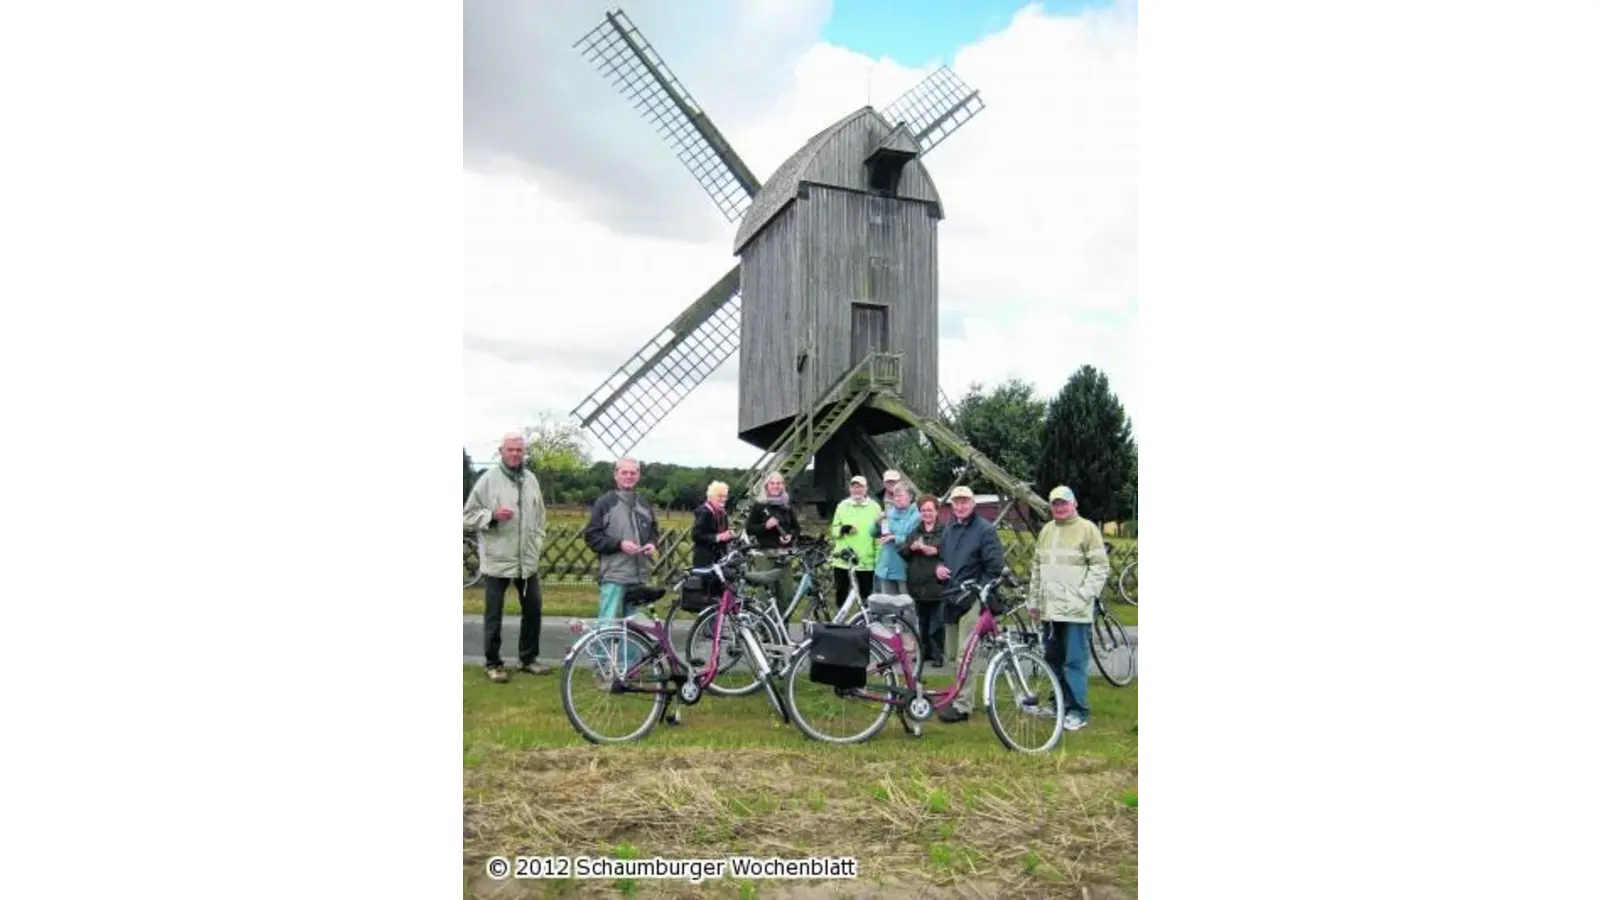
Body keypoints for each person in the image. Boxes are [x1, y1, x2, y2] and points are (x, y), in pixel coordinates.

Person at [462, 433, 550, 683]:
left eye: (519, 450)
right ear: (501, 451)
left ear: (524, 453)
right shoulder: (488, 480)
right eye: (510, 449)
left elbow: (540, 515)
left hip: (527, 560)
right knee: (494, 614)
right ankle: (493, 663)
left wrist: (538, 540)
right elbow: (467, 515)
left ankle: (529, 658)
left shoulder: (531, 479)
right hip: (498, 559)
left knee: (533, 609)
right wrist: (492, 515)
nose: (515, 454)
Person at [1026, 486, 1111, 731]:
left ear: (1074, 504)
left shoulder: (1088, 529)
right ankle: (1058, 704)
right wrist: (1034, 601)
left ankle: (1078, 711)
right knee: (1052, 659)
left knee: (1074, 661)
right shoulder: (1046, 531)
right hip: (1050, 610)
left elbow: (1100, 567)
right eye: (1055, 504)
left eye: (1063, 503)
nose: (1059, 508)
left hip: (1075, 611)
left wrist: (1084, 595)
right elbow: (1037, 569)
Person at [936, 485, 1007, 723]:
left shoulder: (985, 530)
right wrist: (939, 568)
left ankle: (963, 705)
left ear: (973, 504)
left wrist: (980, 590)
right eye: (956, 502)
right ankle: (956, 695)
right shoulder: (949, 529)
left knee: (966, 653)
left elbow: (995, 566)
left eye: (965, 501)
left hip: (973, 598)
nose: (960, 506)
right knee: (951, 653)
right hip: (951, 596)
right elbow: (942, 558)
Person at [582, 458, 661, 629]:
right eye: (624, 472)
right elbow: (592, 536)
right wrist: (619, 544)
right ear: (616, 475)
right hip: (614, 575)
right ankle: (602, 657)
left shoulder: (644, 503)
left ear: (638, 476)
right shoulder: (605, 502)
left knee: (635, 628)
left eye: (633, 473)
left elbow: (653, 531)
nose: (628, 476)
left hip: (639, 576)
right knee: (606, 624)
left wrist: (652, 544)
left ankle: (632, 658)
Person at [901, 493, 947, 668]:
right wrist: (911, 548)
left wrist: (936, 551)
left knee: (936, 623)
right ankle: (924, 652)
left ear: (937, 512)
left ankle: (937, 655)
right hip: (917, 584)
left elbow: (951, 553)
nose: (926, 513)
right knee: (921, 621)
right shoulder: (915, 532)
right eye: (923, 510)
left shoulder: (944, 531)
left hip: (936, 584)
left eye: (930, 510)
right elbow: (903, 553)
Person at [744, 471, 800, 607]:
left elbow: (797, 528)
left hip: (784, 556)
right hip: (765, 555)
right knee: (764, 596)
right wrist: (766, 526)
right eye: (772, 483)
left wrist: (790, 536)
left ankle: (782, 627)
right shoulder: (759, 506)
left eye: (779, 483)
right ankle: (763, 628)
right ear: (767, 486)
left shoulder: (786, 506)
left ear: (783, 486)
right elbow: (749, 529)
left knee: (786, 596)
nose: (775, 486)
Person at [829, 475, 881, 610]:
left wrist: (878, 557)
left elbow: (878, 536)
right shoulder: (842, 506)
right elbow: (833, 530)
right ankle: (841, 625)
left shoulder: (875, 508)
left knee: (866, 596)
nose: (857, 490)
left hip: (865, 561)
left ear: (866, 489)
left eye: (860, 487)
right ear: (850, 488)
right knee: (841, 594)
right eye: (854, 486)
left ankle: (866, 623)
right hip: (843, 559)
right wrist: (843, 529)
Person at [872, 484, 920, 595]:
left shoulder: (916, 517)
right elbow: (874, 534)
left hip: (904, 569)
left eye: (900, 496)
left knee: (906, 606)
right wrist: (877, 523)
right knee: (888, 607)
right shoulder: (888, 513)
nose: (897, 499)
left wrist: (895, 538)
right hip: (886, 567)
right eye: (895, 496)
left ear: (910, 497)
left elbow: (915, 541)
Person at [691, 481, 736, 568]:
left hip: (720, 557)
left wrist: (730, 535)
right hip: (704, 558)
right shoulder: (704, 512)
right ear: (710, 497)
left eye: (725, 496)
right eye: (720, 496)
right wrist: (718, 537)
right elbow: (696, 536)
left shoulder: (723, 513)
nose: (723, 499)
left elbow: (724, 534)